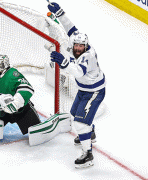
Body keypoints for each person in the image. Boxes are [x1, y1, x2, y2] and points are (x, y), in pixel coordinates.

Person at [47, 2, 106, 168]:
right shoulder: (75, 40)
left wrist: (64, 62)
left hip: (94, 92)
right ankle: (90, 133)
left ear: (86, 46)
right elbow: (69, 27)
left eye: (81, 46)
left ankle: (88, 155)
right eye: (76, 45)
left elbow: (79, 72)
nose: (78, 48)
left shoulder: (89, 56)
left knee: (80, 123)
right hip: (84, 89)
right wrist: (59, 13)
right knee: (74, 115)